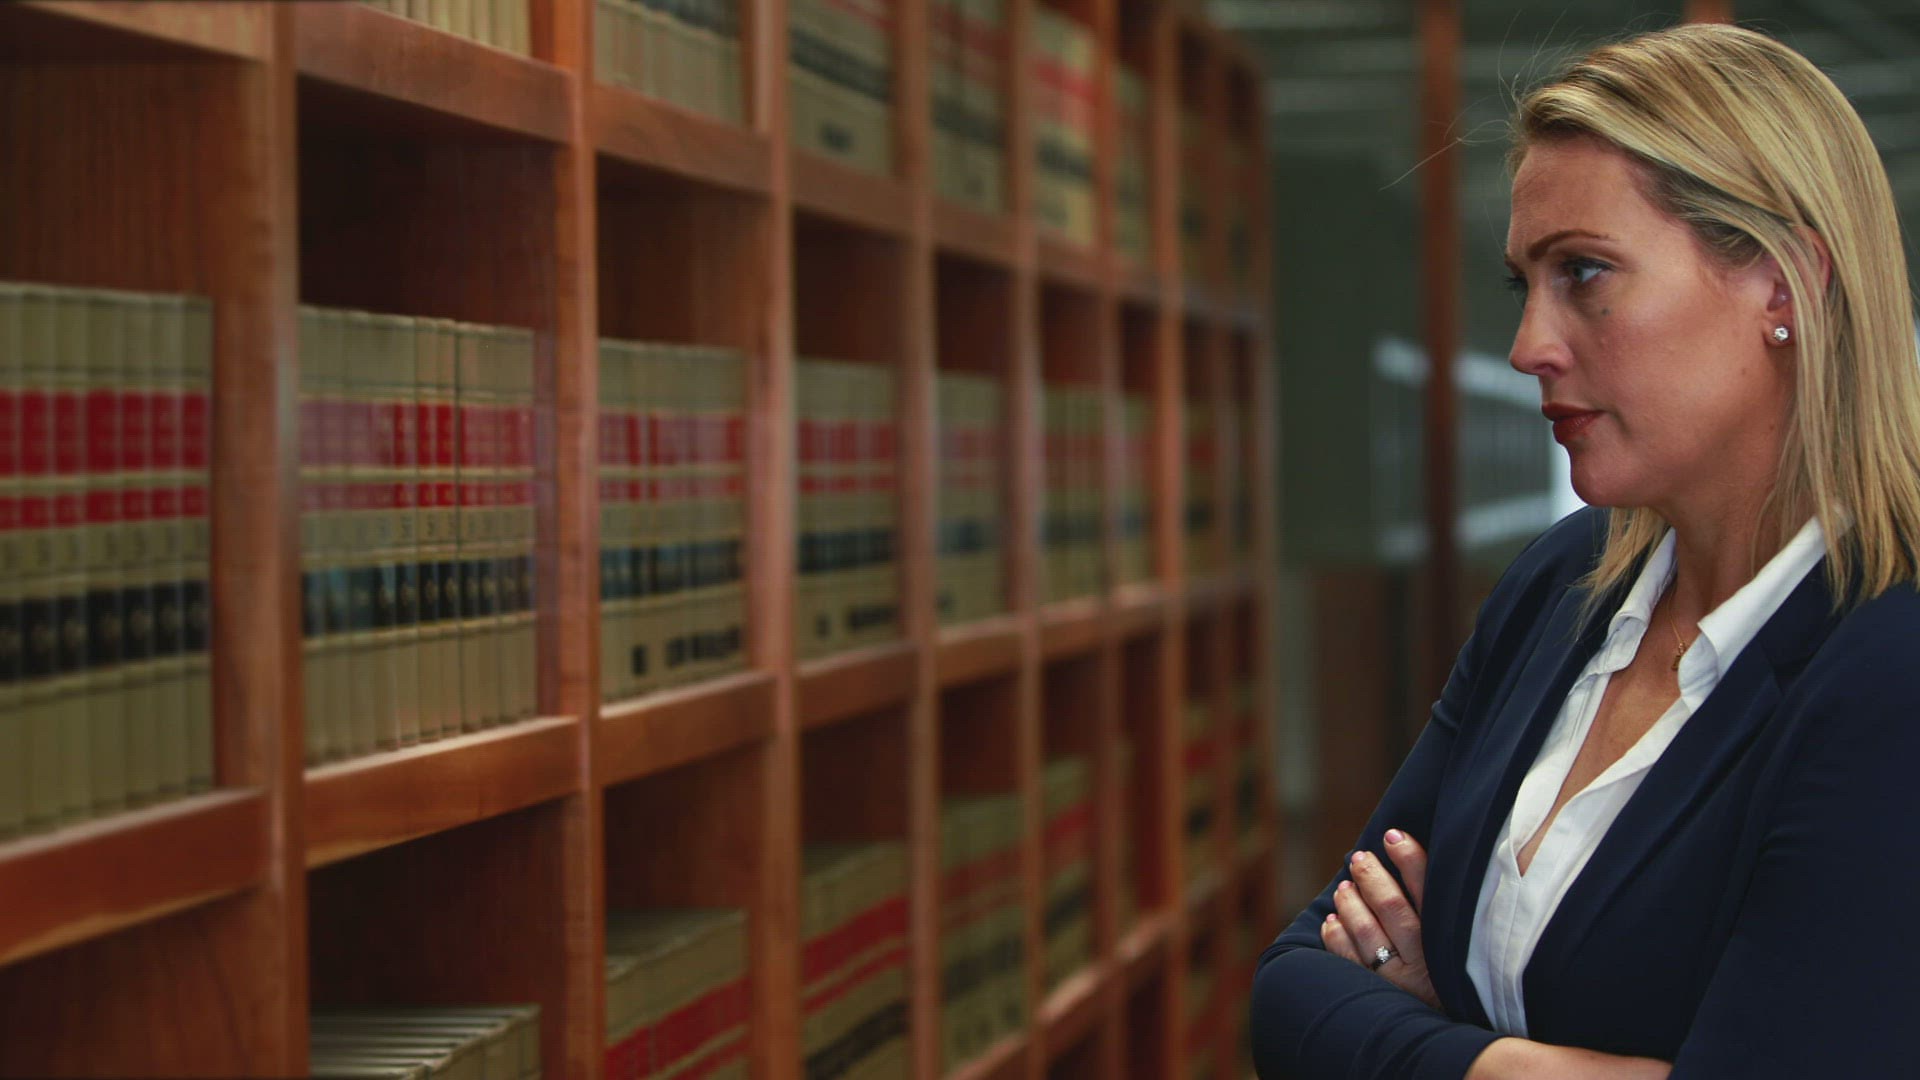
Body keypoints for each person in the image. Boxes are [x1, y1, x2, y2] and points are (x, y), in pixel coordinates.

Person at [1250, 23, 1920, 1080]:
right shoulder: (1560, 584)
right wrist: (1510, 1066)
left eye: (1586, 272)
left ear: (1784, 284)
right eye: (1525, 282)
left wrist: (1430, 1024)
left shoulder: (1890, 666)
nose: (1529, 347)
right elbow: (1291, 985)